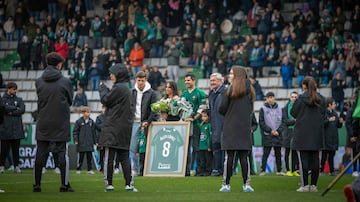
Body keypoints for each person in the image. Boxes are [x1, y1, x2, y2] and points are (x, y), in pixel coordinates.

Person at [34, 52, 74, 192]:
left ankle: (37, 184)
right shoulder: (66, 81)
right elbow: (70, 100)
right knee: (62, 152)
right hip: (60, 121)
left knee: (40, 151)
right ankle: (64, 184)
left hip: (43, 120)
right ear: (59, 64)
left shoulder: (38, 81)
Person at [98, 63, 138, 192]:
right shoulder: (127, 88)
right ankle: (129, 185)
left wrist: (102, 89)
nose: (111, 75)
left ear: (118, 75)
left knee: (109, 157)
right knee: (124, 157)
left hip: (113, 128)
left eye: (112, 73)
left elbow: (106, 100)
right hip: (124, 128)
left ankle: (109, 184)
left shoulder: (119, 87)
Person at [218, 67, 256, 193]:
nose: (229, 75)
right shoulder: (250, 90)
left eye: (231, 73)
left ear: (237, 75)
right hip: (245, 127)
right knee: (244, 157)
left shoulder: (229, 90)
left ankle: (226, 185)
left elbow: (221, 108)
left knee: (229, 157)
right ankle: (246, 184)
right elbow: (250, 110)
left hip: (230, 127)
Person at [291, 76, 325, 192]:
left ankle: (305, 185)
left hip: (302, 133)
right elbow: (323, 114)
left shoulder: (300, 99)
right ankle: (314, 185)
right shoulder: (321, 98)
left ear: (304, 86)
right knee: (316, 160)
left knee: (303, 160)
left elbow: (293, 113)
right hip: (316, 133)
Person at [130, 71, 159, 176]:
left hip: (147, 123)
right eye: (139, 80)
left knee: (148, 147)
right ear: (136, 80)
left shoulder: (152, 93)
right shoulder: (132, 92)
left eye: (142, 80)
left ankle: (148, 168)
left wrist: (148, 121)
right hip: (134, 122)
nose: (140, 82)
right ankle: (136, 169)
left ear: (146, 80)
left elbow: (154, 109)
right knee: (133, 147)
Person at [181, 73, 207, 176]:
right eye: (186, 80)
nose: (186, 82)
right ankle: (186, 170)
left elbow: (202, 109)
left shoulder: (200, 93)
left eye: (188, 80)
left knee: (196, 148)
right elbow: (181, 108)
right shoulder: (184, 94)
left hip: (196, 124)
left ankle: (197, 170)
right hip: (185, 125)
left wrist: (193, 118)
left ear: (193, 81)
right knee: (185, 148)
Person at [0, 82, 25, 174]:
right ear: (8, 89)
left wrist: (11, 111)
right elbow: (3, 108)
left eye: (16, 89)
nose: (15, 91)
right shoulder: (2, 99)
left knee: (16, 150)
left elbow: (22, 109)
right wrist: (15, 108)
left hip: (16, 129)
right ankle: (1, 166)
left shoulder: (19, 99)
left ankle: (16, 166)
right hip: (5, 128)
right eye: (14, 89)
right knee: (4, 149)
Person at [259, 91, 286, 176]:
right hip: (267, 135)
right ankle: (263, 170)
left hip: (278, 134)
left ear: (274, 98)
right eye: (268, 98)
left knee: (278, 153)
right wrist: (270, 130)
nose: (270, 99)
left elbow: (283, 122)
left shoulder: (280, 109)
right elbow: (261, 122)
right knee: (266, 153)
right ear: (266, 99)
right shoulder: (263, 109)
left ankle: (279, 170)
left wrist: (278, 131)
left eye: (271, 97)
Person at [208, 73, 226, 176]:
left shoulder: (225, 92)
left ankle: (225, 169)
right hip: (214, 124)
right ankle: (217, 169)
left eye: (214, 80)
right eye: (211, 81)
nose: (212, 83)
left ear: (220, 81)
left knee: (223, 147)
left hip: (223, 124)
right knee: (216, 146)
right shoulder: (211, 93)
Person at [320, 97, 343, 176]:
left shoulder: (335, 113)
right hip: (326, 138)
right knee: (324, 155)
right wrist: (328, 120)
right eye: (334, 104)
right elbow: (321, 124)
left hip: (334, 138)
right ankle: (321, 171)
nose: (335, 105)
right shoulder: (324, 113)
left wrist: (340, 122)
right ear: (329, 105)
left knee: (332, 155)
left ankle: (332, 171)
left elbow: (338, 126)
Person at [73, 106, 97, 175]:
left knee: (89, 158)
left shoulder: (91, 122)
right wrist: (76, 140)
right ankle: (78, 169)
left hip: (89, 143)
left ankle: (89, 169)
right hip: (81, 143)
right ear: (83, 113)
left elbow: (94, 133)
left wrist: (95, 142)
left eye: (89, 112)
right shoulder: (79, 121)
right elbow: (75, 132)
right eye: (87, 112)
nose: (89, 114)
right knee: (80, 157)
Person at [282, 91, 300, 177]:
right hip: (287, 133)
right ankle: (288, 170)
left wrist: (293, 121)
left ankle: (294, 170)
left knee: (295, 152)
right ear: (290, 98)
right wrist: (294, 121)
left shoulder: (300, 108)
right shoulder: (285, 108)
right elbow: (285, 121)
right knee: (287, 151)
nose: (294, 98)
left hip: (297, 132)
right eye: (292, 96)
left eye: (295, 97)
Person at [198, 109, 212, 176]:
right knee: (202, 160)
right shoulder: (202, 125)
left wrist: (209, 145)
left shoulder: (209, 125)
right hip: (201, 146)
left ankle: (208, 171)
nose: (203, 118)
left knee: (208, 160)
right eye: (202, 116)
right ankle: (201, 171)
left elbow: (210, 136)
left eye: (205, 116)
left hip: (207, 147)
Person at [95, 105, 106, 173]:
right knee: (101, 155)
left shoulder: (110, 117)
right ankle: (101, 168)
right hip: (100, 139)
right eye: (104, 108)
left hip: (108, 139)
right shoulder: (98, 117)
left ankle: (107, 169)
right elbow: (97, 126)